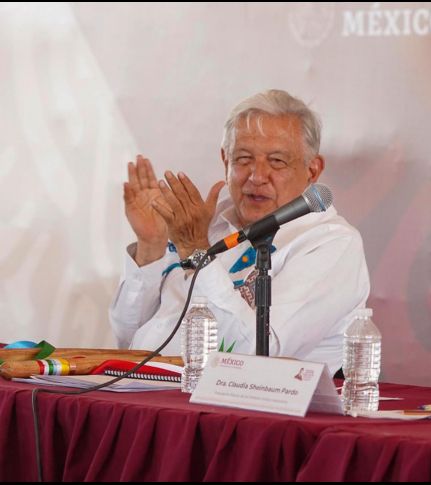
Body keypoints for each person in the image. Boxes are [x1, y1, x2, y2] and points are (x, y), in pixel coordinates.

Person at [109, 89, 370, 372]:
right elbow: (131, 337)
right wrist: (151, 247)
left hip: (251, 408)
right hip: (150, 391)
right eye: (243, 159)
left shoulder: (330, 243)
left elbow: (254, 355)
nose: (257, 177)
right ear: (225, 161)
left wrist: (196, 251)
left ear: (313, 169)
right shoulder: (207, 223)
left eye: (277, 161)